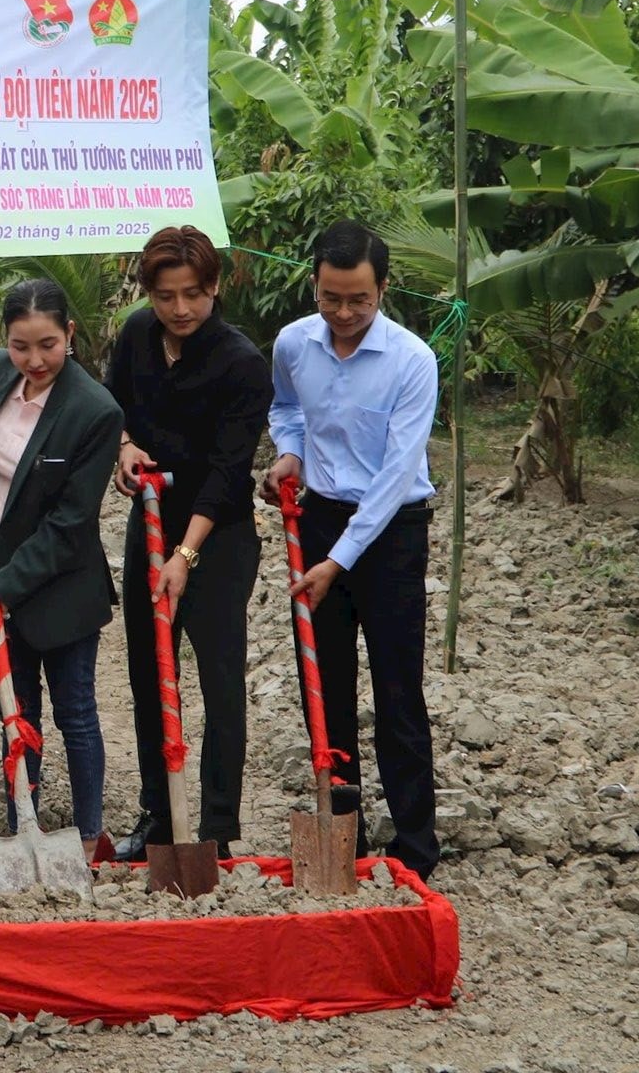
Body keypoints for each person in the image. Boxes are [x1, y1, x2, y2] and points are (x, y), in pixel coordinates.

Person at [262, 220, 441, 879]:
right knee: (325, 689)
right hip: (317, 520)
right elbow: (287, 411)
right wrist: (289, 455)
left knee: (398, 691)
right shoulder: (292, 345)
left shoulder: (412, 361)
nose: (343, 314)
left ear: (382, 290)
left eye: (358, 301)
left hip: (392, 534)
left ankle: (415, 848)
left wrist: (338, 562)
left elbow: (397, 474)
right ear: (314, 285)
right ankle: (345, 838)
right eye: (331, 298)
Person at [105, 226, 273, 863]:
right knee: (151, 674)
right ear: (148, 293)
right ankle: (159, 813)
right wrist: (123, 449)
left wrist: (186, 555)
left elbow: (229, 473)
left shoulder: (241, 363)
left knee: (219, 680)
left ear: (216, 287)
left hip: (218, 538)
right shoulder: (137, 340)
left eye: (194, 294)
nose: (180, 310)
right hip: (149, 525)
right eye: (167, 296)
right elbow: (112, 404)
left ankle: (217, 826)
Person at [0, 278, 124, 861]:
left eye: (48, 344)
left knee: (75, 713)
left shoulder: (94, 410)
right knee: (15, 711)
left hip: (61, 585)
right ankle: (24, 821)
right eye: (22, 346)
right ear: (6, 342)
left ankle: (90, 834)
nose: (36, 360)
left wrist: (5, 586)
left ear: (69, 335)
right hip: (0, 579)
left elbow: (71, 523)